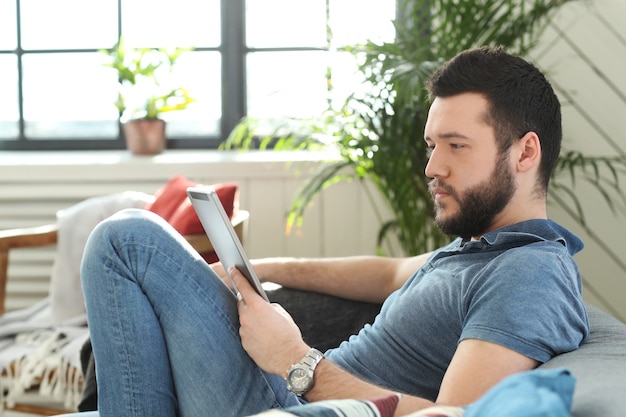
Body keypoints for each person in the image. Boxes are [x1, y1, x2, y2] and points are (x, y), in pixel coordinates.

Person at [74, 46, 589, 417]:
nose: (432, 167)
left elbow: (452, 415)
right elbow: (387, 271)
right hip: (281, 388)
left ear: (525, 152)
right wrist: (259, 271)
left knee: (127, 241)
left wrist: (295, 360)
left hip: (287, 398)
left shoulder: (529, 273)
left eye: (456, 146)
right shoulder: (480, 247)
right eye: (432, 145)